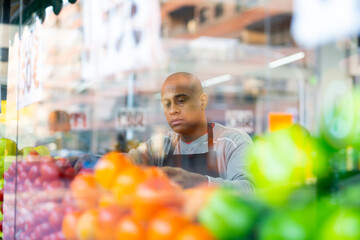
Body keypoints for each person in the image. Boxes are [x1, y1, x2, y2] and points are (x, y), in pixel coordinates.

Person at [129, 72, 254, 193]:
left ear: (203, 101)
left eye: (181, 101)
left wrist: (197, 182)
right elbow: (127, 163)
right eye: (167, 104)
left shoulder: (232, 141)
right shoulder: (160, 146)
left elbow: (250, 189)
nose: (172, 110)